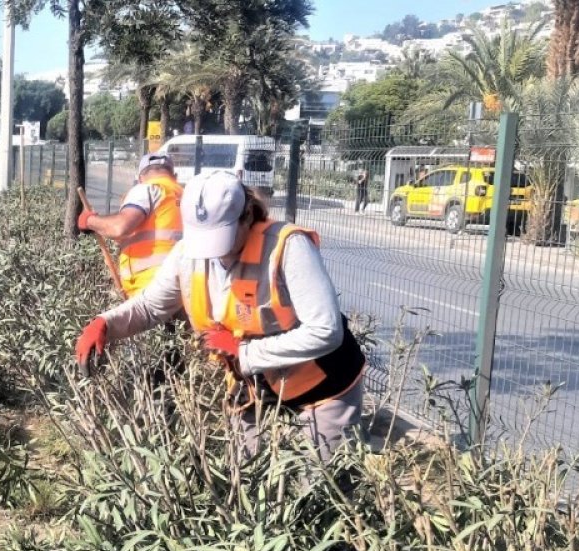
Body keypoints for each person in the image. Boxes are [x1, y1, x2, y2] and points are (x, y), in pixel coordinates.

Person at [74, 171, 367, 462]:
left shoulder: (287, 247)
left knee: (315, 487)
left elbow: (325, 330)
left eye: (222, 237)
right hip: (254, 388)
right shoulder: (188, 253)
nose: (214, 252)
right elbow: (151, 306)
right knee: (245, 478)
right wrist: (106, 324)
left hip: (323, 386)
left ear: (248, 216)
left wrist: (245, 353)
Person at [77, 154, 184, 298]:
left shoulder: (147, 189)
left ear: (140, 178)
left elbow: (120, 227)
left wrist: (89, 221)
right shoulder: (186, 196)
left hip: (150, 287)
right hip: (184, 287)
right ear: (174, 176)